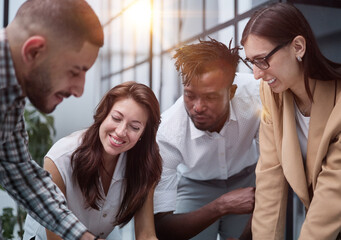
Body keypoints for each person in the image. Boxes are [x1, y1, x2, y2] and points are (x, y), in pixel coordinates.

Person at [0, 0, 104, 239]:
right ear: (34, 51)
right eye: (74, 71)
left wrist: (83, 236)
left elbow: (23, 177)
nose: (79, 90)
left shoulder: (11, 98)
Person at [241, 2, 341, 240]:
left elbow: (333, 190)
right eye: (251, 62)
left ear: (298, 46)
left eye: (262, 60)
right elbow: (269, 180)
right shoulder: (272, 96)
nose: (256, 74)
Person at [23, 81, 162, 240]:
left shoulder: (145, 164)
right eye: (116, 118)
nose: (121, 131)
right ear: (104, 113)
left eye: (135, 127)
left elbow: (146, 234)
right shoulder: (60, 159)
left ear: (143, 134)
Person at [154, 38, 261, 240]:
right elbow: (162, 228)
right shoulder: (167, 132)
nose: (198, 107)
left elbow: (275, 165)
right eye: (190, 95)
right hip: (194, 184)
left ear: (231, 93)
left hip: (247, 178)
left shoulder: (256, 96)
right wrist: (222, 204)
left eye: (210, 97)